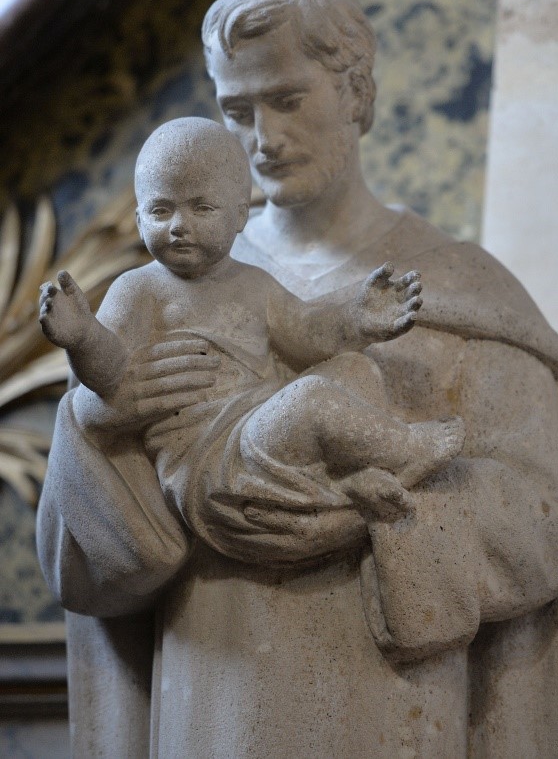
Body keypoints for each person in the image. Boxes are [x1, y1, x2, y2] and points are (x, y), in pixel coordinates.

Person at [37, 0, 558, 758]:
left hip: (395, 715)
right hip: (211, 700)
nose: (263, 137)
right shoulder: (164, 293)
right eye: (237, 111)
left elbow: (544, 520)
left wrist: (385, 514)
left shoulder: (461, 291)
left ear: (356, 91)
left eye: (288, 99)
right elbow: (82, 567)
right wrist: (101, 419)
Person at [39, 116, 463, 519]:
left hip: (264, 426)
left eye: (201, 208)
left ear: (240, 215)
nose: (178, 226)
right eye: (160, 211)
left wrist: (356, 322)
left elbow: (304, 335)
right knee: (310, 399)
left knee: (355, 370)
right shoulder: (138, 289)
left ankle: (352, 480)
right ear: (137, 219)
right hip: (211, 461)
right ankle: (406, 449)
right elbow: (114, 374)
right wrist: (83, 338)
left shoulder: (255, 284)